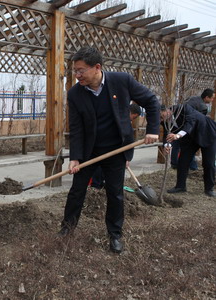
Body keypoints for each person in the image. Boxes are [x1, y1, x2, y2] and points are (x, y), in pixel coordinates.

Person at [58, 47, 159, 254]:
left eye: (81, 70)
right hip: (88, 151)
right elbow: (76, 128)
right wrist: (75, 157)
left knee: (115, 194)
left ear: (97, 67)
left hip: (116, 150)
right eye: (75, 71)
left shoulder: (122, 81)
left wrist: (152, 131)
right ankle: (67, 230)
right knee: (77, 191)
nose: (77, 75)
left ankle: (115, 235)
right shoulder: (75, 94)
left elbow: (151, 101)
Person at [161, 104, 216, 197]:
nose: (161, 120)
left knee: (208, 163)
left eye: (161, 116)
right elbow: (167, 133)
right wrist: (167, 145)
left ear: (167, 110)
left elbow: (190, 122)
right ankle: (180, 186)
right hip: (189, 139)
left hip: (206, 133)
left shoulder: (182, 108)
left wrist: (178, 135)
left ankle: (209, 188)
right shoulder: (164, 120)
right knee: (183, 160)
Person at [90, 103, 141, 189]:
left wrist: (127, 157)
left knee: (104, 167)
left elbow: (128, 141)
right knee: (99, 166)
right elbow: (129, 141)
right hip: (103, 146)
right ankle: (96, 185)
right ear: (133, 114)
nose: (132, 120)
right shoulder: (121, 119)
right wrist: (127, 157)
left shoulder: (119, 116)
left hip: (110, 148)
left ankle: (101, 183)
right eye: (134, 117)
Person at [170, 89, 215, 170]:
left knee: (176, 144)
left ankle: (174, 163)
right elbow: (198, 122)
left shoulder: (192, 98)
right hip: (187, 127)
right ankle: (193, 166)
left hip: (179, 123)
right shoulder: (203, 107)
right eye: (212, 98)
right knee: (190, 146)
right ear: (207, 97)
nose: (212, 100)